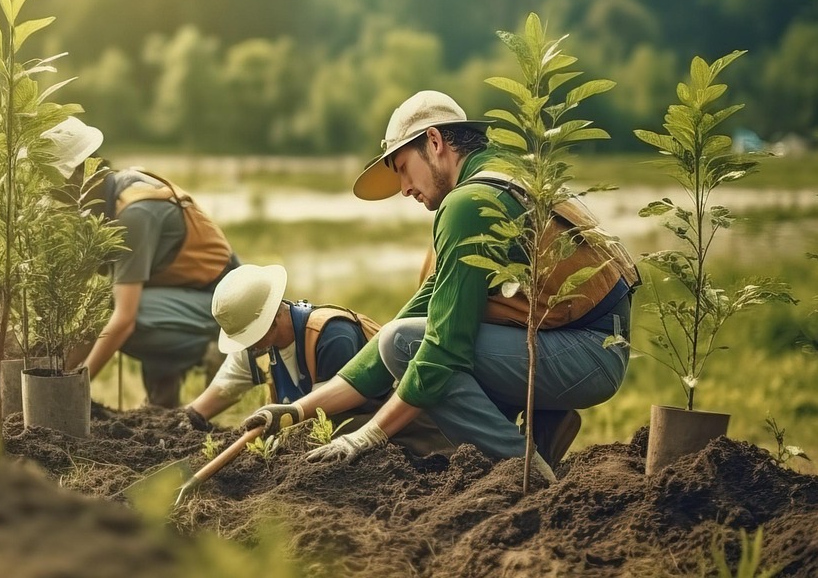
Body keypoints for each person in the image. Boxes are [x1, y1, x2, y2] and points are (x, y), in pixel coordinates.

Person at [242, 90, 638, 478]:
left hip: (587, 353)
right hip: (591, 348)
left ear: (434, 141)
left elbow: (438, 347)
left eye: (401, 168)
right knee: (402, 341)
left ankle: (524, 470)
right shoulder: (504, 175)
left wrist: (367, 436)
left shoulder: (467, 205)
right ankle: (543, 433)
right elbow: (410, 320)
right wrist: (297, 410)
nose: (404, 189)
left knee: (412, 349)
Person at [46, 117, 241, 408]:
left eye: (59, 188)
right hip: (183, 294)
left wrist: (74, 386)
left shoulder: (134, 213)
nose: (57, 199)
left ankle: (210, 350)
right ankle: (163, 403)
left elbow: (122, 319)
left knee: (118, 313)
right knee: (114, 307)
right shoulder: (109, 199)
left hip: (224, 305)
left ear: (79, 177)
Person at [183, 263, 381, 422]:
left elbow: (322, 417)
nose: (246, 345)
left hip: (379, 434)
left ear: (273, 318)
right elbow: (211, 400)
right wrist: (183, 421)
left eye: (250, 336)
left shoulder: (333, 336)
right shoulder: (256, 347)